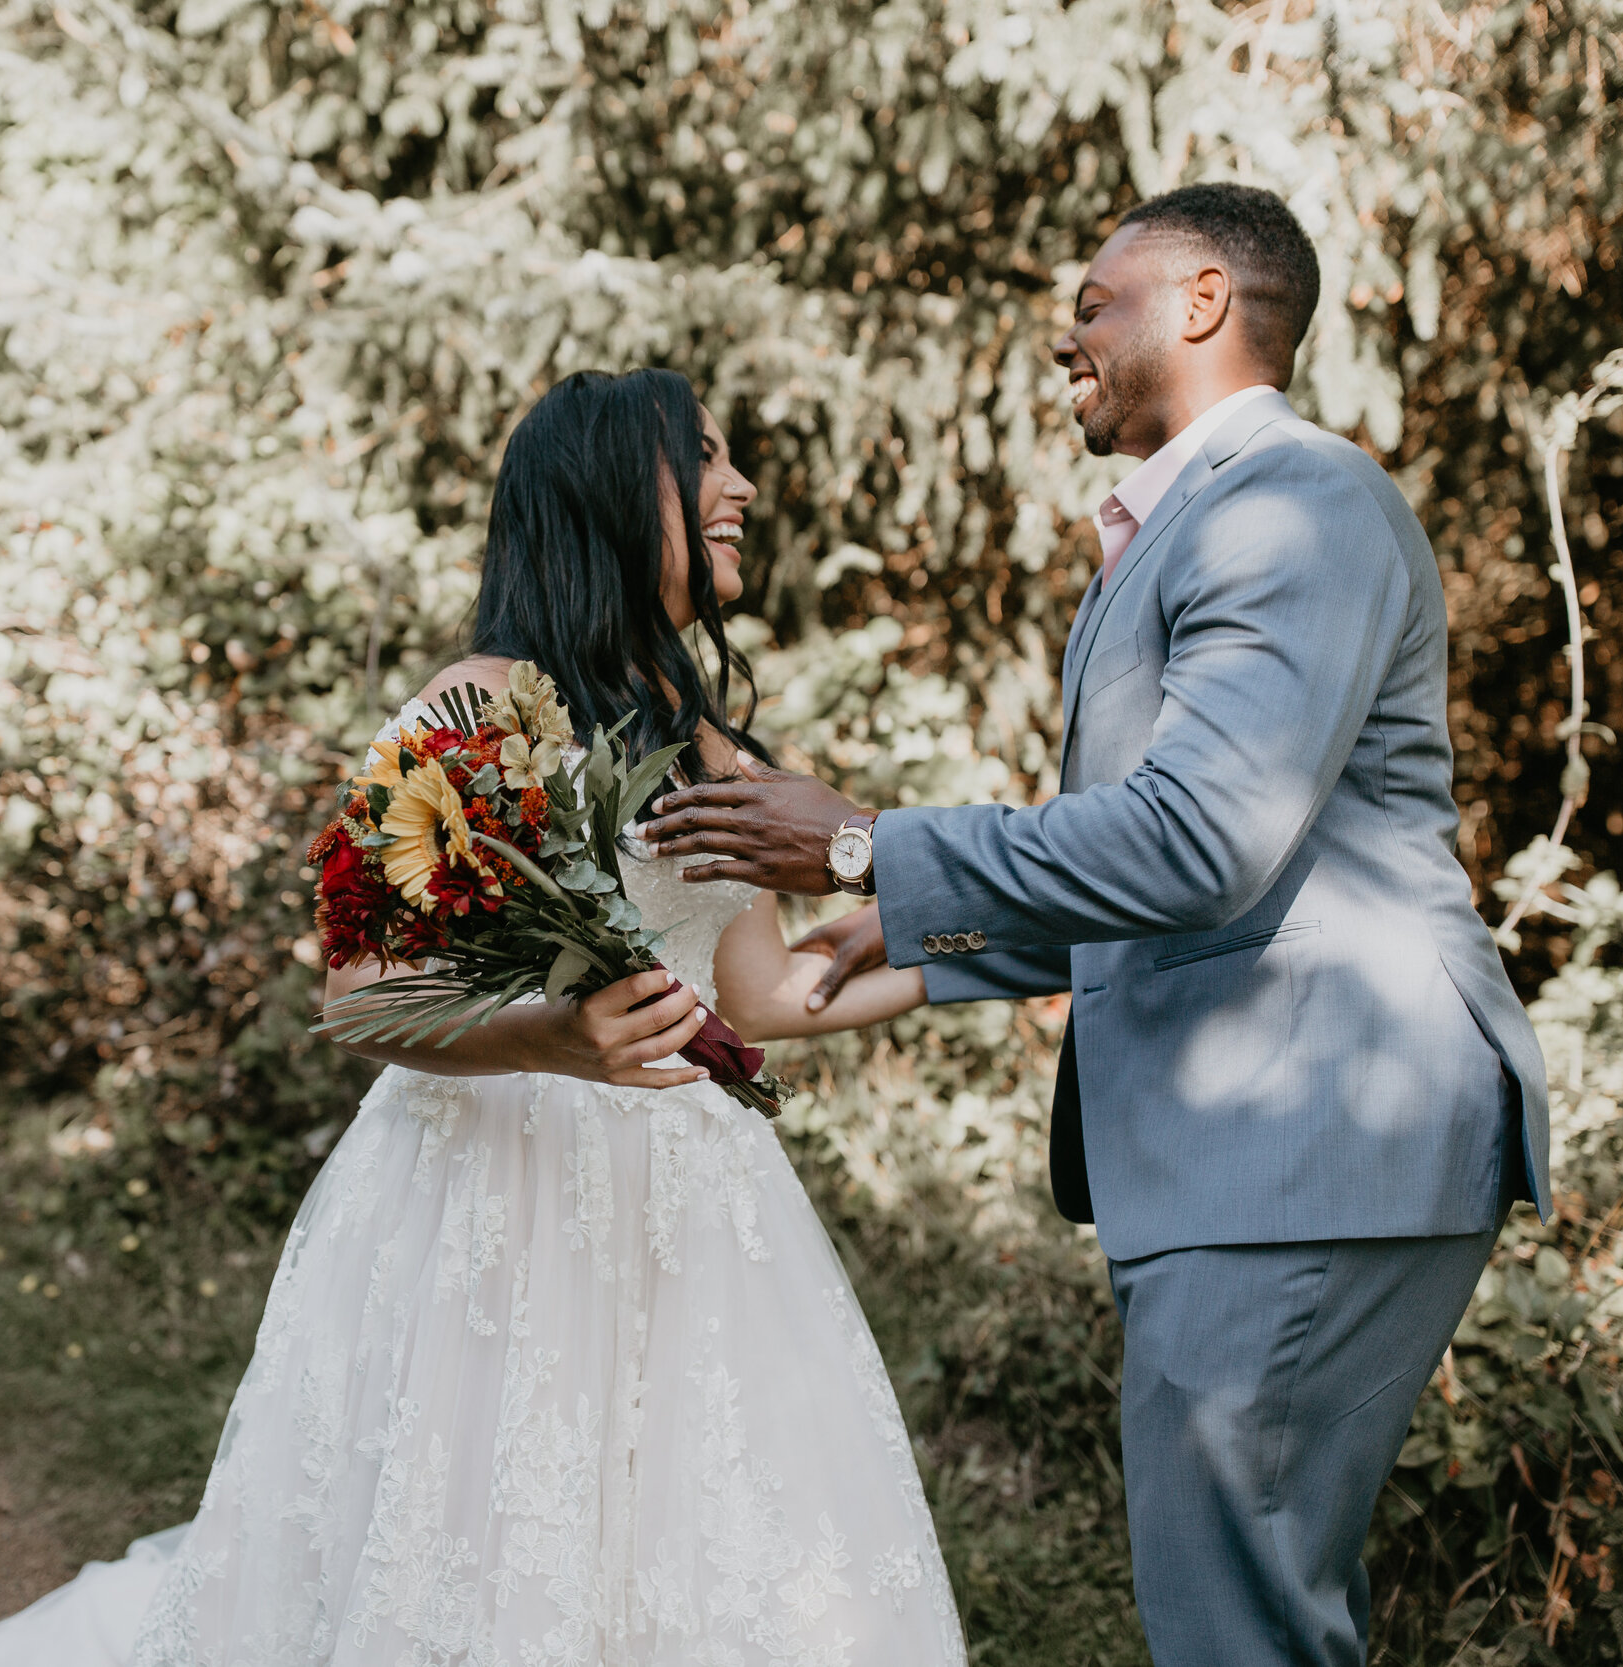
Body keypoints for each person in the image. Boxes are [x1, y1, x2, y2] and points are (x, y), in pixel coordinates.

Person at [0, 368, 964, 1667]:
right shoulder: (465, 715)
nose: (740, 485)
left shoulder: (714, 751)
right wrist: (555, 1040)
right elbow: (358, 995)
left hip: (690, 1205)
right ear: (600, 494)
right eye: (701, 456)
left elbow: (763, 993)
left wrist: (990, 942)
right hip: (492, 1195)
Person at [637, 183, 1553, 1667]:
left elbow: (1206, 838)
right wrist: (934, 935)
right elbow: (1223, 872)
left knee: (1233, 1629)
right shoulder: (1190, 522)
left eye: (1092, 303)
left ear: (1202, 301)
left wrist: (867, 848)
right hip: (1263, 1157)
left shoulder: (1291, 504)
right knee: (1261, 1614)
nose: (1066, 339)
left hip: (1304, 1138)